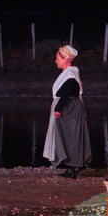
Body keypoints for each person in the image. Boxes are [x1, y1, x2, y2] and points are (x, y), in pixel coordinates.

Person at [43, 44, 91, 178]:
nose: (56, 61)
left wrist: (59, 107)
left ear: (65, 59)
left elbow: (70, 90)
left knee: (72, 136)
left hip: (70, 108)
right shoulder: (67, 74)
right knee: (67, 137)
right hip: (68, 106)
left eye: (58, 58)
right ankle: (71, 166)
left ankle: (74, 167)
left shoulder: (71, 74)